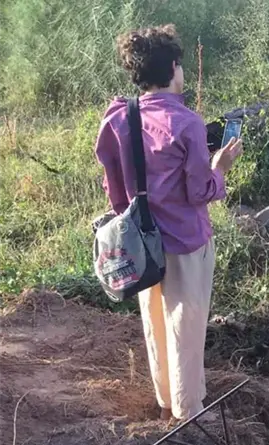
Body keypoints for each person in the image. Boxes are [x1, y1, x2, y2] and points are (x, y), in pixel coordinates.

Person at [95, 25, 243, 422]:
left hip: (141, 242)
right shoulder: (187, 122)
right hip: (185, 242)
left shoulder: (119, 116)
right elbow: (200, 191)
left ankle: (166, 400)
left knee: (155, 322)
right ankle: (189, 411)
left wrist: (131, 215)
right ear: (174, 66)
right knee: (186, 328)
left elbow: (113, 183)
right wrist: (221, 168)